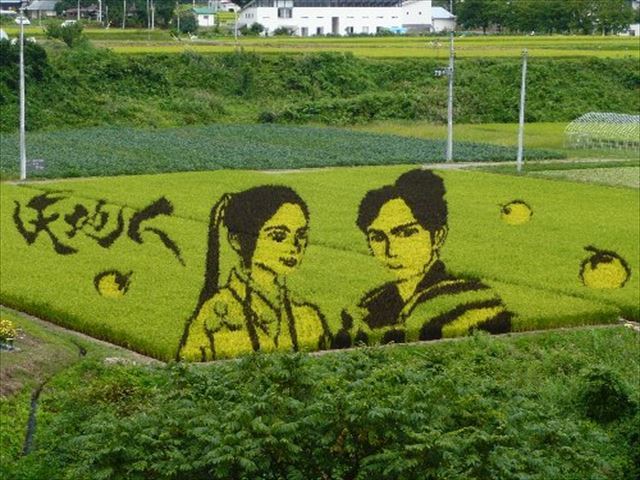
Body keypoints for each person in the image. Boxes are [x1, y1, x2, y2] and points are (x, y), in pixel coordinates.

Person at [334, 169, 512, 348]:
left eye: (406, 233)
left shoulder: (471, 301)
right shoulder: (367, 307)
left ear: (438, 236)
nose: (391, 251)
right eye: (378, 238)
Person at [178, 185, 331, 361]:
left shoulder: (308, 315)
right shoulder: (213, 315)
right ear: (236, 240)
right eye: (278, 236)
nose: (295, 246)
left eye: (301, 235)